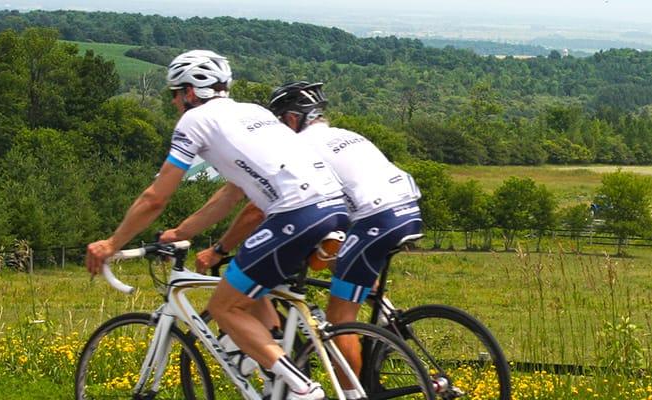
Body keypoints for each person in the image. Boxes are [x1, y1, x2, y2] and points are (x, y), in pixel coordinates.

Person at [85, 50, 348, 400]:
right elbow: (231, 194)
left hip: (295, 212)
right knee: (250, 285)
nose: (175, 103)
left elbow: (155, 197)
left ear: (191, 92)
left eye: (175, 94)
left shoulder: (194, 122)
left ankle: (302, 389)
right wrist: (182, 233)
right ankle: (277, 375)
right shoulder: (251, 112)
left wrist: (112, 243)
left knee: (224, 306)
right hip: (333, 206)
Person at [186, 81, 423, 400]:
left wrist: (220, 250)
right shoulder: (344, 135)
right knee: (333, 265)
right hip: (404, 209)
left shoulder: (302, 148)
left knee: (340, 317)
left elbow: (255, 210)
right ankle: (378, 314)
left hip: (374, 218)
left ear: (292, 120)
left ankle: (352, 394)